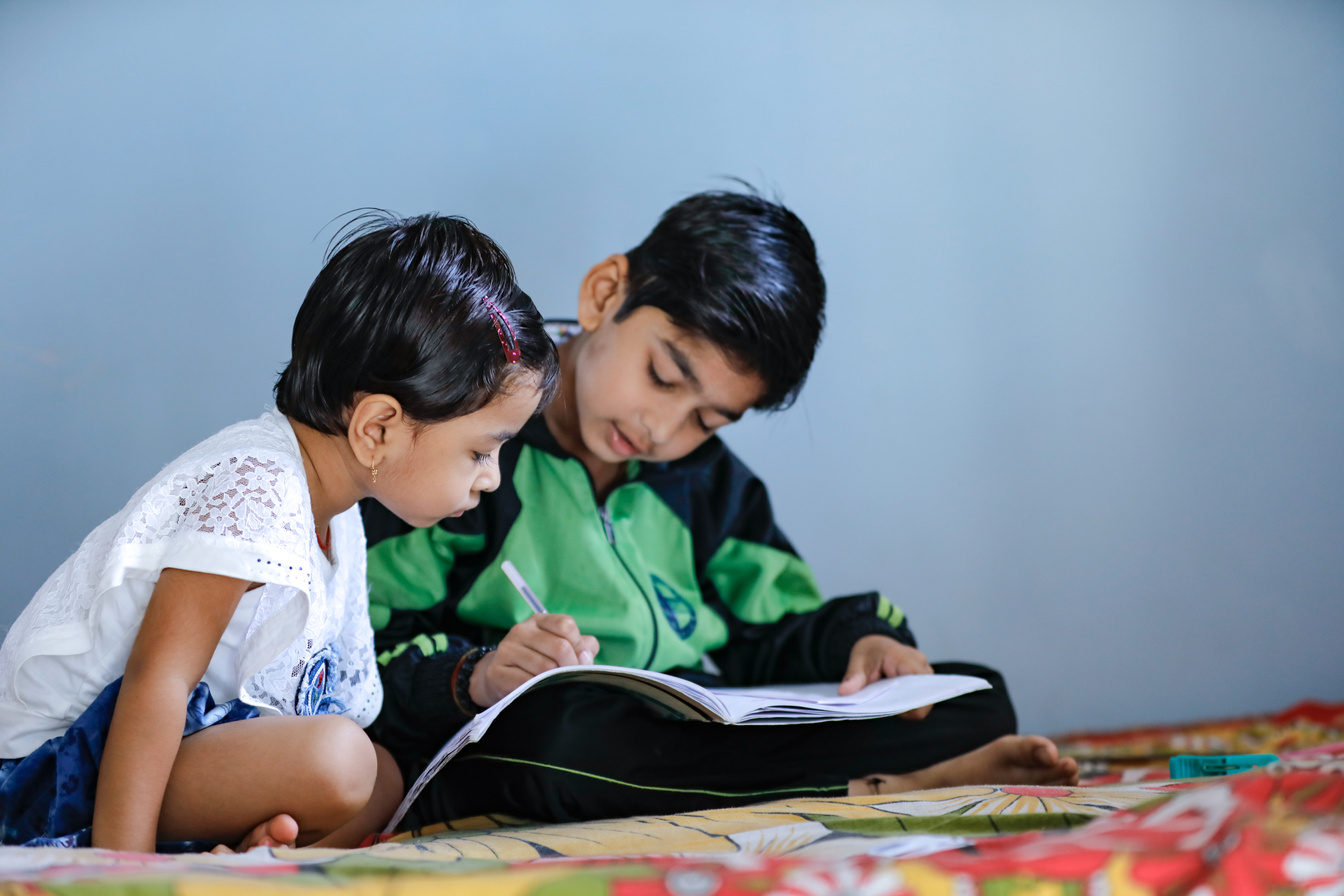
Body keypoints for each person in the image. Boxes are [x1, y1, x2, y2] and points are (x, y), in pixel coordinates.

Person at [362, 191, 1079, 828]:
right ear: (605, 295)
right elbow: (368, 650)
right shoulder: (471, 437)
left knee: (975, 697)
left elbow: (775, 629)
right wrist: (481, 672)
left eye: (708, 420)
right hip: (529, 731)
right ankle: (869, 784)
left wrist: (863, 644)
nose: (663, 431)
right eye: (663, 376)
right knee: (560, 736)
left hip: (681, 730)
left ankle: (828, 778)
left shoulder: (709, 484)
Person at [0, 213, 559, 851]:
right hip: (50, 780)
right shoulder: (256, 488)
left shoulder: (340, 514)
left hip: (166, 752)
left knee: (380, 779)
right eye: (481, 451)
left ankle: (243, 857)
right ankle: (157, 855)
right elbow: (158, 681)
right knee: (341, 761)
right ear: (377, 429)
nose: (492, 479)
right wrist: (124, 871)